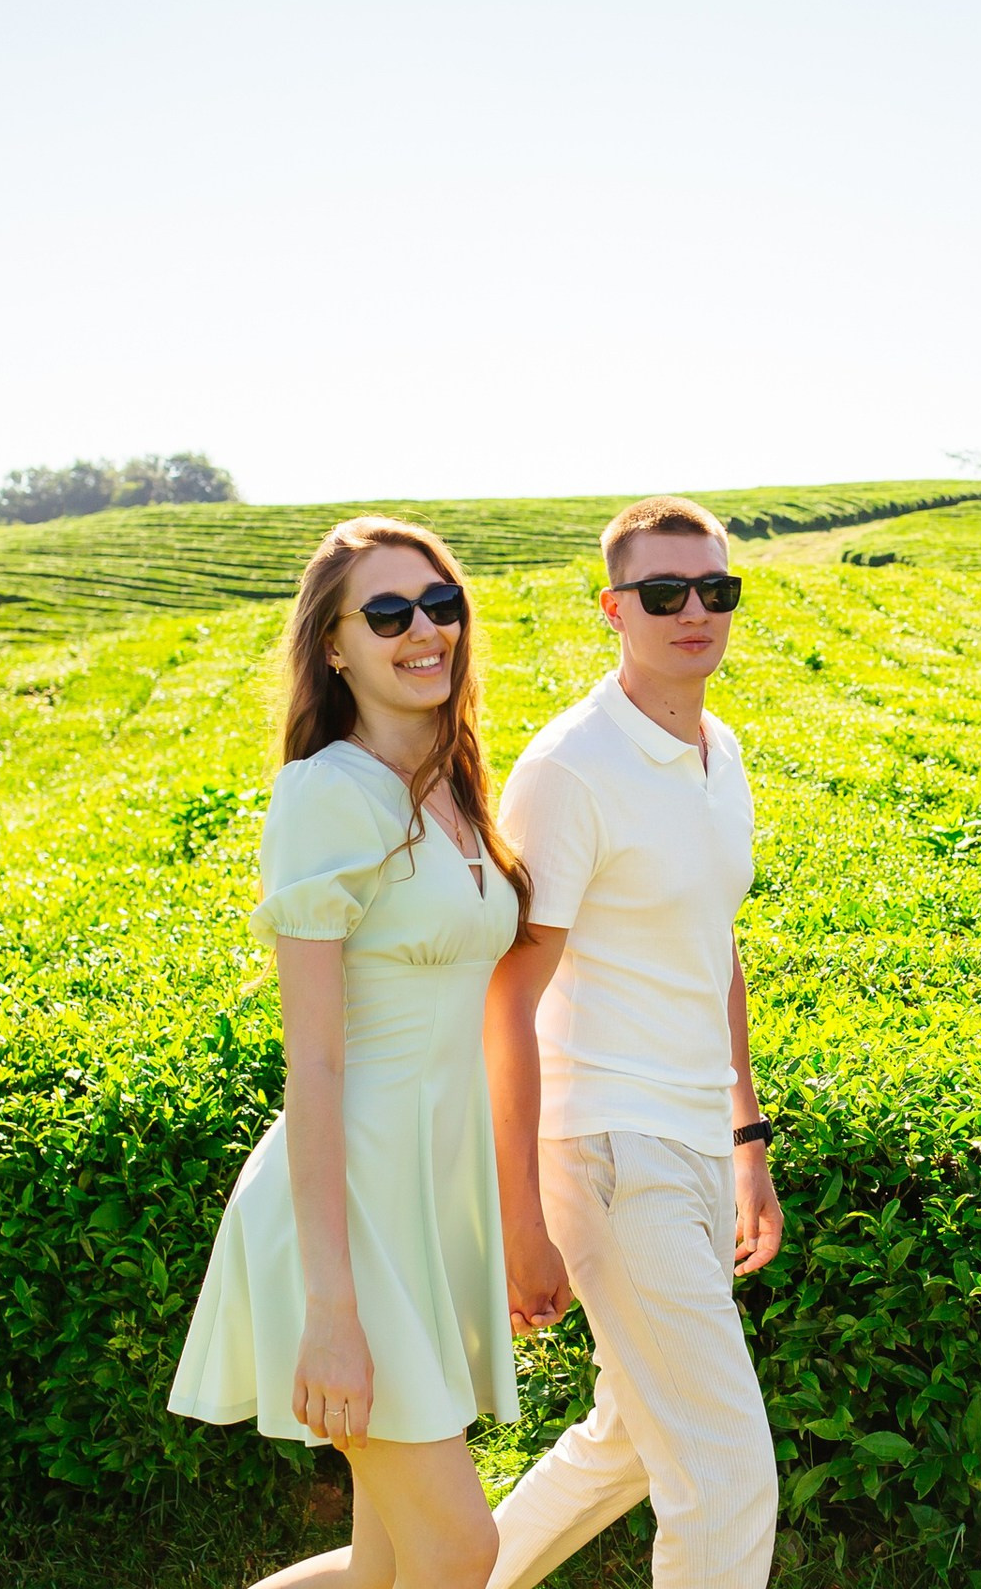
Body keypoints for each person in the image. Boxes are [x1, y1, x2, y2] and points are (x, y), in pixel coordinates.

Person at [168, 516, 557, 1589]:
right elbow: (317, 1066)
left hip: (421, 1204)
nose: (423, 629)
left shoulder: (458, 787)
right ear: (334, 645)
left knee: (390, 1561)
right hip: (340, 1221)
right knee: (457, 1547)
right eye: (387, 612)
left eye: (440, 605)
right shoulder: (327, 794)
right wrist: (331, 1311)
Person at [484, 496, 783, 1589]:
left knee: (627, 1439)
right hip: (611, 1148)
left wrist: (747, 1137)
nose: (693, 610)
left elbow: (717, 948)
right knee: (726, 1472)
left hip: (697, 1139)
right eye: (664, 593)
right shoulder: (571, 766)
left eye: (715, 589)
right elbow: (507, 998)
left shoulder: (722, 749)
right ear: (615, 609)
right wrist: (521, 1206)